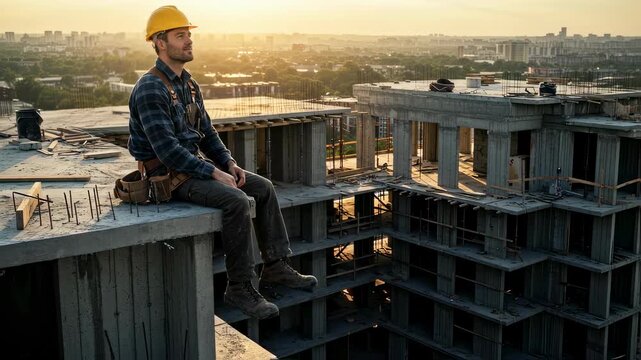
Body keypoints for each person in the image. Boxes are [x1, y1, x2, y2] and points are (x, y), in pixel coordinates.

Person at [128, 5, 317, 319]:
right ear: (160, 43)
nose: (189, 41)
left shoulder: (188, 84)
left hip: (191, 168)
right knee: (235, 200)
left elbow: (207, 133)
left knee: (263, 188)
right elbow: (167, 151)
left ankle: (275, 265)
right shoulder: (150, 89)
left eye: (189, 35)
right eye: (180, 36)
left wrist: (228, 163)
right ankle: (240, 287)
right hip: (167, 176)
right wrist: (213, 173)